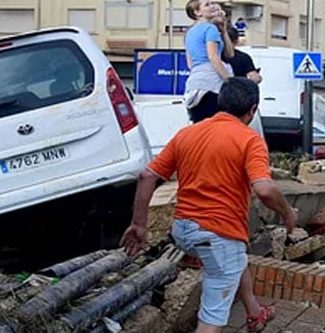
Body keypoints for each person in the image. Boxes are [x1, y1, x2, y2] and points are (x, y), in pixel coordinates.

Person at [121, 77, 298, 333]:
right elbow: (265, 189)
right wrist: (288, 214)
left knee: (236, 257)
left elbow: (147, 176)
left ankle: (254, 314)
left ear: (220, 103)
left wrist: (139, 224)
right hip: (215, 235)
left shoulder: (187, 133)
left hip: (183, 229)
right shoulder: (250, 139)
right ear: (253, 109)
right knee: (213, 313)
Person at [183, 0, 235, 123]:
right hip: (212, 84)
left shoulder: (191, 31)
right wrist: (229, 81)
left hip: (194, 84)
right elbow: (213, 57)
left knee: (199, 127)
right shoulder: (210, 29)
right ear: (198, 12)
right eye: (208, 5)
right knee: (216, 126)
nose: (213, 6)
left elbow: (190, 63)